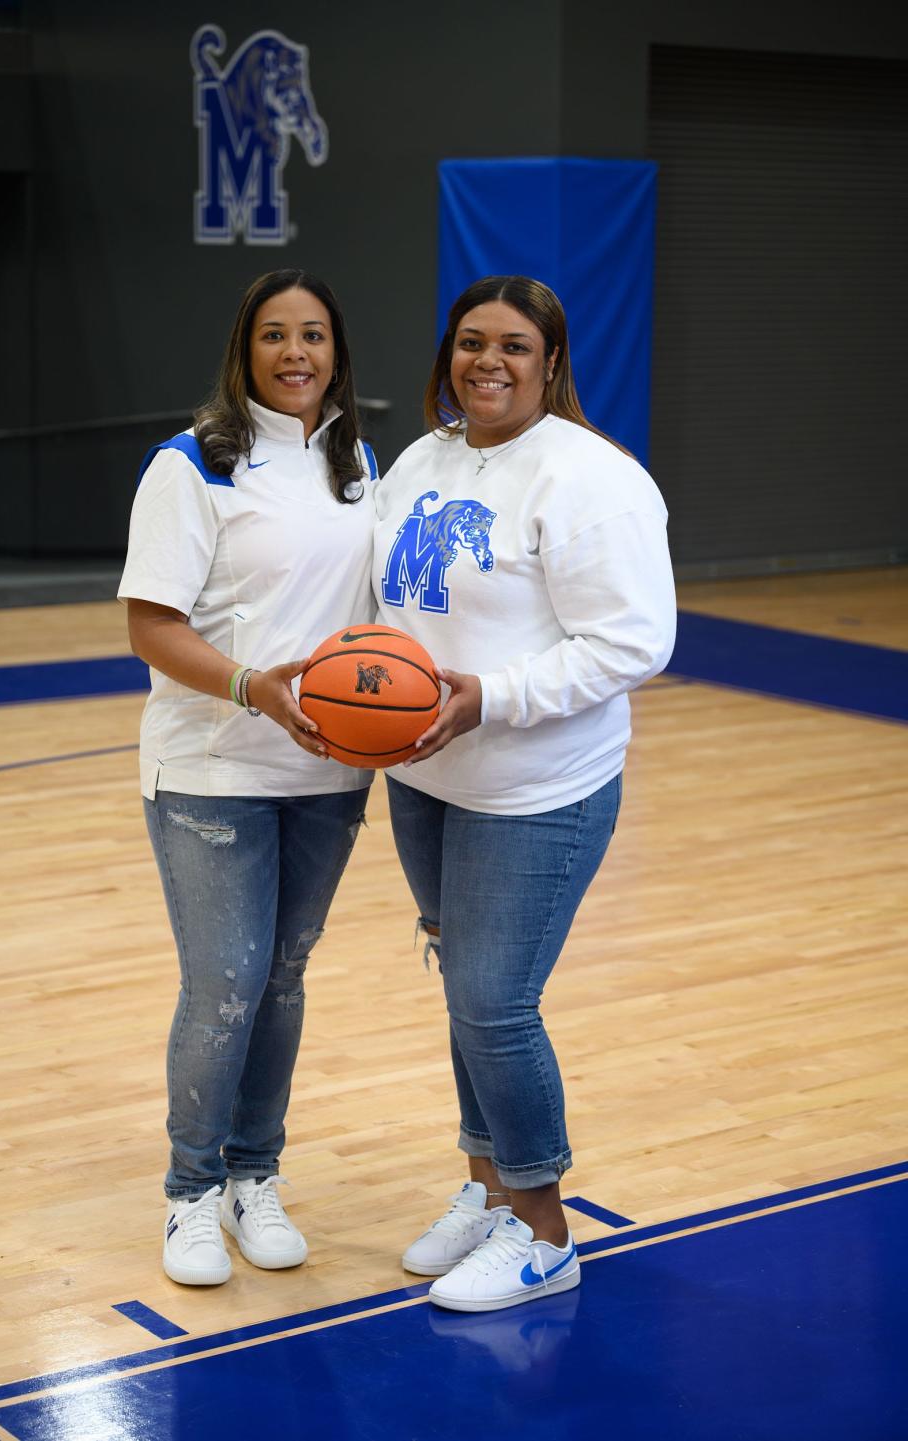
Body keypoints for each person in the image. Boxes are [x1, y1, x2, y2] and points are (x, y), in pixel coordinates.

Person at [372, 275, 676, 1313]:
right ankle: (490, 1186)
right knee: (465, 990)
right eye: (469, 343)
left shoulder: (592, 478)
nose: (486, 362)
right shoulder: (423, 458)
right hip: (423, 776)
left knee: (495, 1005)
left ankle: (546, 1232)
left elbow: (636, 641)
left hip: (538, 786)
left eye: (511, 346)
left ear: (550, 362)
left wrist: (488, 697)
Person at [118, 269, 376, 1285]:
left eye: (314, 334)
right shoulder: (190, 467)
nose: (296, 353)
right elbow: (150, 626)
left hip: (329, 771)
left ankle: (251, 1175)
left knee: (280, 979)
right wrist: (252, 687)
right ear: (245, 349)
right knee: (225, 982)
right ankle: (189, 1191)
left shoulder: (360, 466)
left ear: (336, 350)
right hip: (211, 763)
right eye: (275, 335)